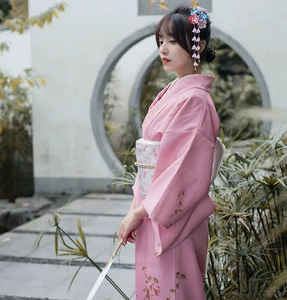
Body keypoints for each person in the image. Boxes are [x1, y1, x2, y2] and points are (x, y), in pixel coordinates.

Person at [118, 3, 219, 299]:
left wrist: (140, 212)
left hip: (173, 216)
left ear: (197, 44)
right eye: (161, 41)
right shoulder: (171, 93)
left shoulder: (195, 100)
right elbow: (148, 164)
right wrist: (136, 210)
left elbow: (182, 170)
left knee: (173, 287)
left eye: (173, 41)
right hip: (151, 210)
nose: (164, 48)